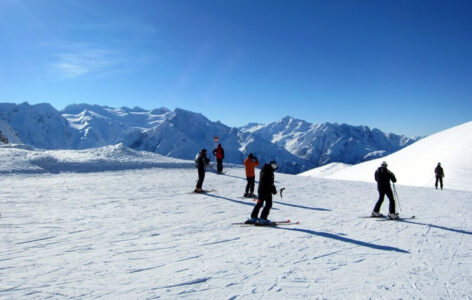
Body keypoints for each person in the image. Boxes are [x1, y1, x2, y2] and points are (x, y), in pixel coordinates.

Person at [246, 160, 278, 225]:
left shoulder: (265, 169)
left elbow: (267, 181)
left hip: (261, 190)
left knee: (260, 204)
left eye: (275, 166)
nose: (274, 167)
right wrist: (273, 189)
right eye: (274, 166)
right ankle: (263, 219)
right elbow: (268, 182)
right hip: (266, 191)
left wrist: (272, 188)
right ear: (271, 165)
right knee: (268, 204)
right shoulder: (268, 171)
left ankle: (253, 218)